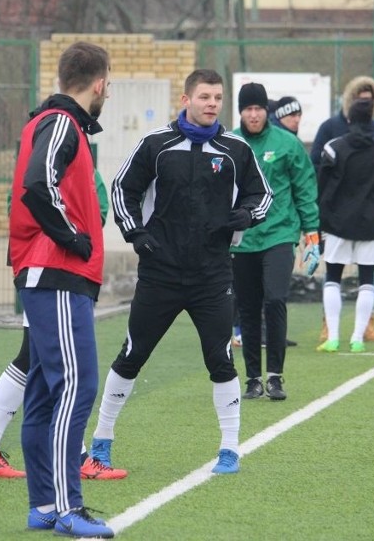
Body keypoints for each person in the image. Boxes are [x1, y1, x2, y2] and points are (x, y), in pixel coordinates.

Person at [89, 68, 272, 476]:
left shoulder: (235, 149)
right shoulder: (156, 144)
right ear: (186, 99)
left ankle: (229, 450)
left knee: (221, 360)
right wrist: (136, 233)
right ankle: (101, 443)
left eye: (218, 98)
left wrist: (244, 216)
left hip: (212, 276)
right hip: (161, 274)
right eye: (204, 96)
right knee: (131, 356)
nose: (212, 104)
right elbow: (122, 189)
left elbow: (263, 196)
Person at [9, 41, 115, 539]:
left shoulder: (55, 123)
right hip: (54, 273)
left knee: (46, 393)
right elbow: (37, 184)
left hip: (48, 275)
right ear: (97, 84)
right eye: (108, 84)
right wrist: (72, 238)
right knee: (77, 385)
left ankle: (44, 506)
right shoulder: (60, 123)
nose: (108, 92)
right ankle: (68, 507)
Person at [0, 169, 127, 481]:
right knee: (59, 363)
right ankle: (75, 456)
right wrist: (62, 236)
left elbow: (98, 210)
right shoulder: (50, 146)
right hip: (48, 271)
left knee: (35, 357)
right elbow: (21, 207)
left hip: (57, 269)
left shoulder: (73, 156)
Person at [231, 83, 319, 401]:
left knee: (276, 299)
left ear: (266, 111)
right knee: (249, 307)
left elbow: (305, 188)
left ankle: (275, 377)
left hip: (280, 233)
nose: (254, 114)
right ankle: (253, 378)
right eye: (248, 109)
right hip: (242, 239)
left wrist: (312, 234)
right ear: (240, 111)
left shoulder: (287, 143)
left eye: (258, 108)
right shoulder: (229, 142)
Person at [310, 76, 374, 343]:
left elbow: (321, 184)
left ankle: (333, 336)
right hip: (371, 222)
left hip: (338, 222)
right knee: (367, 278)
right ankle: (358, 337)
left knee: (333, 277)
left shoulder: (334, 148)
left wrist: (317, 217)